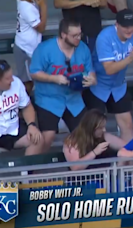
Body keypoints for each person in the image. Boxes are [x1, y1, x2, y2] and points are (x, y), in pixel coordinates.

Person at [83, 9, 133, 143]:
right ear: (117, 24)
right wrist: (130, 59)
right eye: (125, 26)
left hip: (118, 86)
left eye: (132, 25)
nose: (129, 29)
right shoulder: (105, 36)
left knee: (128, 125)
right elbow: (109, 69)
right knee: (96, 129)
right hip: (98, 85)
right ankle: (100, 160)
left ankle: (129, 161)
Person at [30, 19, 96, 153]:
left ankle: (81, 168)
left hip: (74, 99)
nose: (78, 38)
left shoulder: (83, 48)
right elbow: (34, 73)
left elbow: (91, 72)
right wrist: (54, 78)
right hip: (48, 99)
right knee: (48, 136)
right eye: (74, 35)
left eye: (79, 34)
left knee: (86, 134)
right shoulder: (44, 49)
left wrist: (92, 80)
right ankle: (37, 170)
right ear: (63, 35)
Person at [14, 0, 47, 95]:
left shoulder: (26, 2)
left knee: (33, 80)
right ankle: (22, 106)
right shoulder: (26, 6)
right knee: (27, 83)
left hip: (30, 48)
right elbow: (41, 28)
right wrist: (43, 5)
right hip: (24, 49)